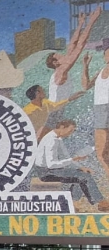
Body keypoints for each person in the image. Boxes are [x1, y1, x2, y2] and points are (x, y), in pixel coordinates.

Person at [35, 120, 108, 210]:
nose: (70, 133)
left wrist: (80, 167)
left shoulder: (58, 138)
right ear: (62, 127)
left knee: (81, 174)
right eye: (70, 131)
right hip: (46, 172)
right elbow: (51, 164)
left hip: (52, 169)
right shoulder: (51, 140)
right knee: (83, 177)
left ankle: (72, 203)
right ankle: (101, 202)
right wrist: (71, 160)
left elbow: (66, 157)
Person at [47, 8, 101, 105]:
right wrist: (92, 20)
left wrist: (80, 24)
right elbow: (80, 45)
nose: (65, 55)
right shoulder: (61, 71)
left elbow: (73, 44)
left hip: (55, 108)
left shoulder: (61, 69)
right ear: (56, 63)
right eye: (61, 56)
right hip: (54, 110)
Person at [84, 45, 109, 178]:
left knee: (102, 152)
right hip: (100, 108)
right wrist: (85, 66)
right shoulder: (100, 71)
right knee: (101, 152)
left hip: (105, 107)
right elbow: (86, 86)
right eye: (107, 54)